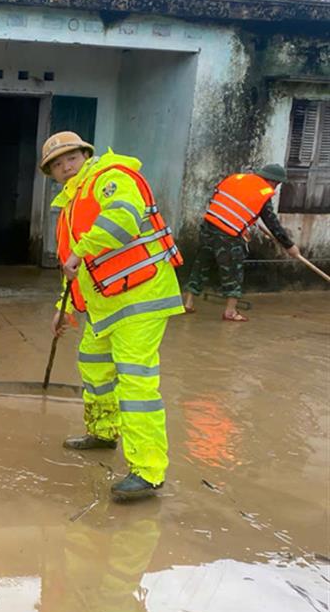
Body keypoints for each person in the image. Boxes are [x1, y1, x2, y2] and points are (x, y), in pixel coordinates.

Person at [42, 131, 184, 501]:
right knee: (93, 364)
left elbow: (123, 219)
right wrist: (64, 310)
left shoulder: (110, 177)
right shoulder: (70, 207)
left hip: (141, 296)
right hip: (107, 306)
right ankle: (104, 433)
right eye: (57, 165)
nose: (65, 167)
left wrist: (81, 250)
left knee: (135, 383)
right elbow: (75, 270)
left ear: (85, 155)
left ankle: (148, 471)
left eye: (70, 158)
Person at [182, 164, 299, 321]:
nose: (276, 186)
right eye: (277, 183)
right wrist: (289, 246)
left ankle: (188, 303)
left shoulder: (236, 179)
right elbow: (273, 224)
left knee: (201, 263)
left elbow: (224, 201)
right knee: (233, 271)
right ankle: (230, 312)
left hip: (208, 227)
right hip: (228, 235)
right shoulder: (262, 193)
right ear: (272, 181)